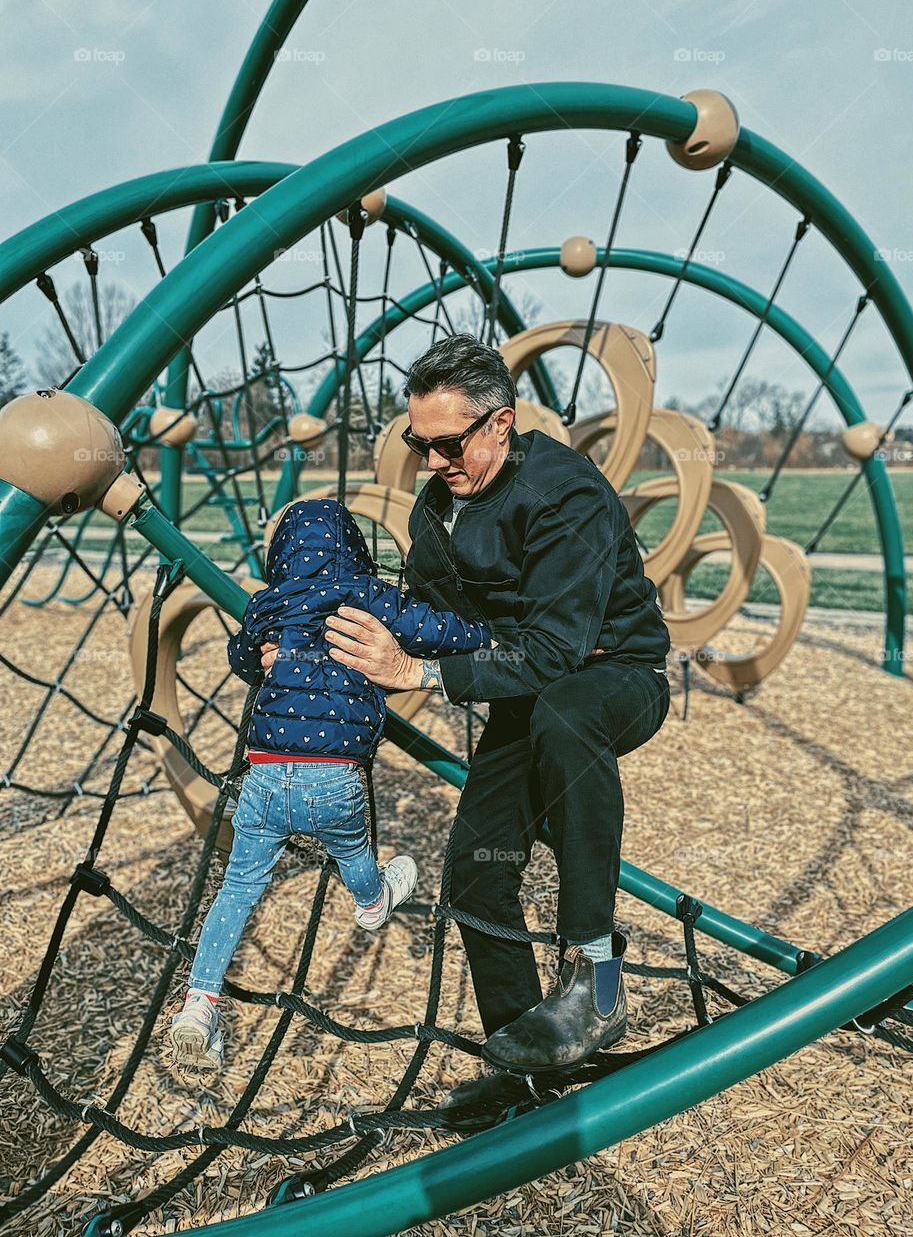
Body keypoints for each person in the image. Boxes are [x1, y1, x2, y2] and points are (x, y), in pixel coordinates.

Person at [306, 334, 673, 1075]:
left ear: (500, 423)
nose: (433, 463)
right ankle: (527, 1051)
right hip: (526, 688)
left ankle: (598, 978)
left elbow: (554, 652)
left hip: (616, 677)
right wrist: (315, 641)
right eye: (419, 444)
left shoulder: (564, 495)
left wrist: (420, 673)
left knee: (568, 711)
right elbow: (428, 615)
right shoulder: (440, 506)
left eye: (447, 444)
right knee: (476, 869)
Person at [170, 497, 492, 1067]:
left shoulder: (270, 604)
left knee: (239, 887)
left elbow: (241, 657)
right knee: (351, 847)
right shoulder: (368, 595)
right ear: (353, 548)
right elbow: (436, 631)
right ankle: (370, 901)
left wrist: (266, 654)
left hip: (264, 772)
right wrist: (483, 632)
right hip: (336, 776)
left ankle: (200, 1002)